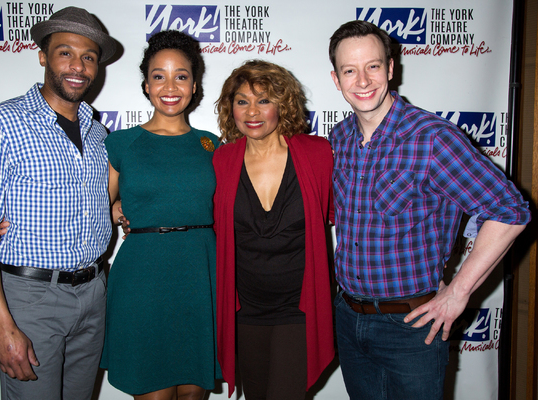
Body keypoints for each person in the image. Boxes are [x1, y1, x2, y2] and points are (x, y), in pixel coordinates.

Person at [328, 20, 531, 399]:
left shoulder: (433, 139)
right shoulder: (338, 138)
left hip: (411, 327)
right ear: (336, 80)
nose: (363, 80)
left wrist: (458, 292)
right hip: (348, 318)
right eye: (349, 70)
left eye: (373, 66)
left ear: (390, 68)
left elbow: (509, 210)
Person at [0, 7, 117, 400]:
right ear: (43, 55)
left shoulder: (99, 133)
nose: (78, 66)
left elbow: (93, 198)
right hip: (31, 300)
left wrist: (114, 209)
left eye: (89, 56)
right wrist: (1, 325)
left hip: (94, 293)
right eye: (65, 52)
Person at [99, 30, 220, 400]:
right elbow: (91, 207)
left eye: (181, 76)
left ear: (195, 85)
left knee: (193, 392)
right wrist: (113, 209)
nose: (170, 86)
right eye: (159, 76)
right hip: (142, 281)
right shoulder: (120, 143)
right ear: (146, 85)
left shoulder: (212, 145)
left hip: (200, 279)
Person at [213, 60, 335, 400]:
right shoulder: (221, 161)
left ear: (282, 104)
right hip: (243, 309)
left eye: (264, 100)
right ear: (230, 107)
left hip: (297, 308)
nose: (252, 111)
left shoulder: (318, 155)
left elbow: (356, 213)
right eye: (241, 100)